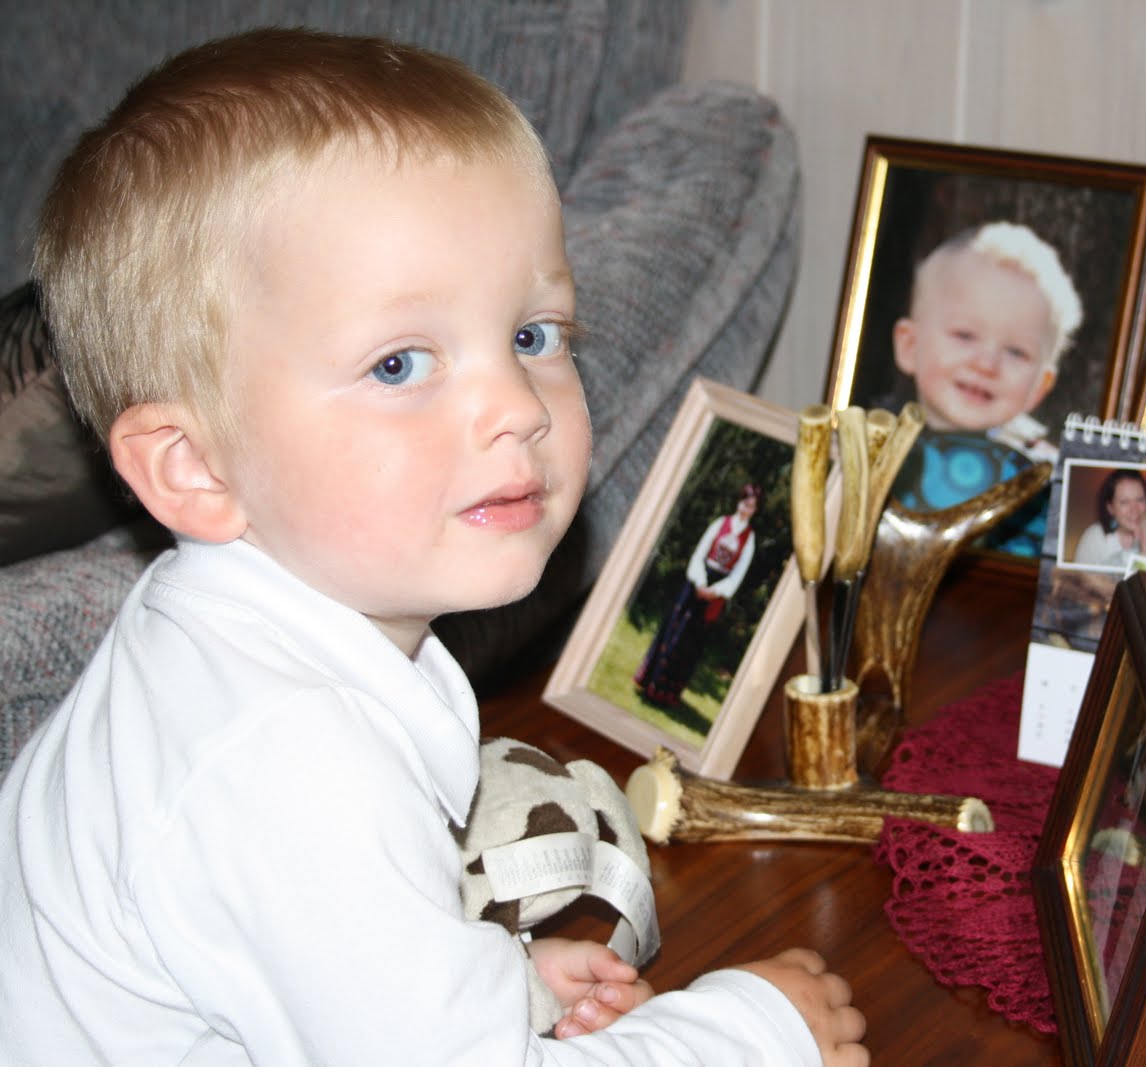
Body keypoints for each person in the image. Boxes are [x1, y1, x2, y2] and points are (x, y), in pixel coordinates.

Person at [0, 29, 867, 1067]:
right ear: (194, 467)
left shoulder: (228, 636)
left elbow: (285, 961)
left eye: (534, 336)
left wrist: (490, 983)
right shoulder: (286, 760)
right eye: (399, 363)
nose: (519, 406)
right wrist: (756, 1030)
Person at [888, 221, 1083, 557]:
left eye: (1016, 352)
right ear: (910, 345)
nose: (986, 364)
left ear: (1040, 386)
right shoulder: (865, 450)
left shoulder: (1042, 489)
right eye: (965, 335)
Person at [635, 483, 762, 709]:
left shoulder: (749, 539)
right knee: (674, 631)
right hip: (696, 584)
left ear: (755, 510)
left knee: (689, 643)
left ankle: (666, 694)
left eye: (751, 506)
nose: (746, 508)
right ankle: (650, 682)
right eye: (745, 502)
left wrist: (715, 591)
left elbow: (738, 575)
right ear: (739, 501)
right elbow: (699, 553)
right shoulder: (721, 523)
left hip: (715, 593)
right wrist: (700, 581)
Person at [1072, 469, 1146, 568]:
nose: (1134, 510)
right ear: (1111, 508)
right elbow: (1079, 582)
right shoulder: (1095, 537)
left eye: (1140, 500)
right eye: (1124, 502)